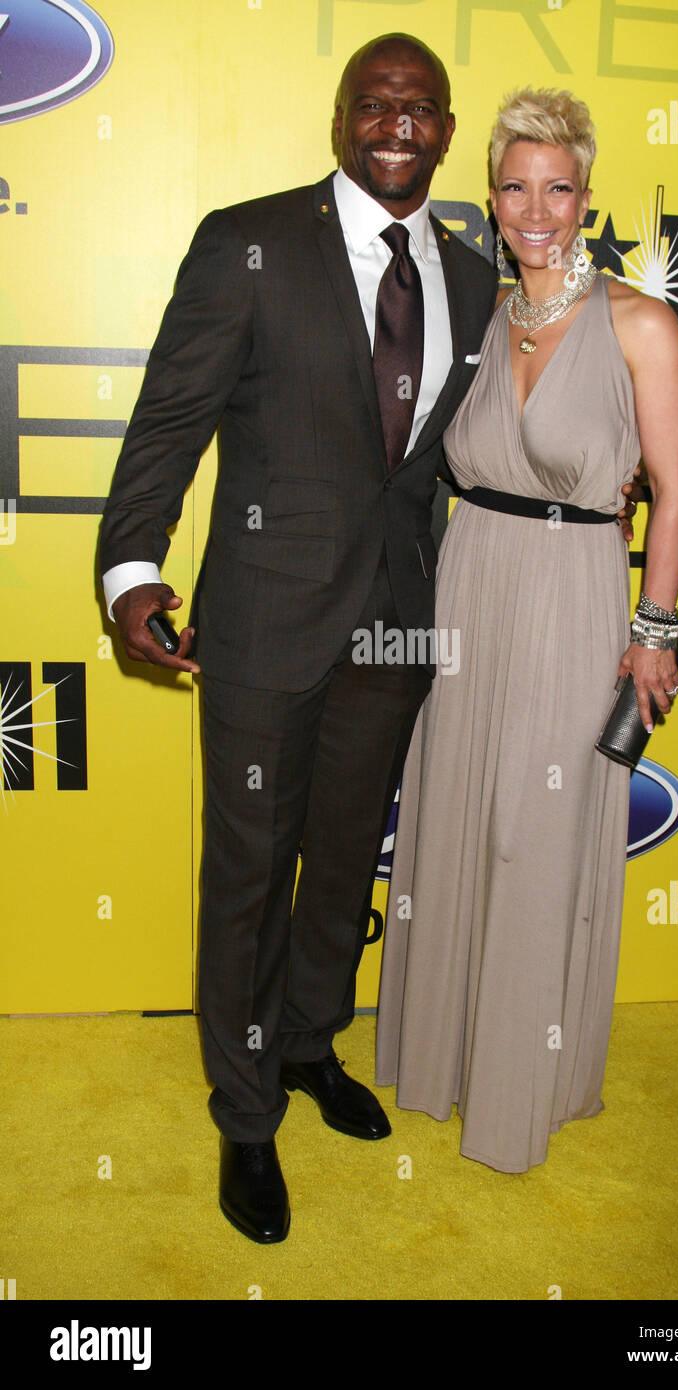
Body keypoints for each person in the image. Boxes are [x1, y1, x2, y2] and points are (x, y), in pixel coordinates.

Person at [98, 34, 497, 1243]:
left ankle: (314, 1044)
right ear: (340, 117)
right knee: (247, 877)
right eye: (375, 103)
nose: (396, 124)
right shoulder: (248, 241)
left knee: (340, 860)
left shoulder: (473, 279)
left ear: (442, 128)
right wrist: (131, 572)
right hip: (264, 621)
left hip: (391, 622)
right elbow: (169, 419)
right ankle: (244, 1111)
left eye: (419, 107)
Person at [375, 88, 678, 1174]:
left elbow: (671, 492)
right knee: (459, 813)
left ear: (585, 200)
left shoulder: (638, 324)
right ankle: (441, 1060)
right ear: (493, 201)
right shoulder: (475, 316)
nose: (536, 208)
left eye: (556, 187)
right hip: (469, 584)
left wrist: (654, 631)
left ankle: (524, 1086)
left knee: (534, 830)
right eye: (515, 187)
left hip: (571, 591)